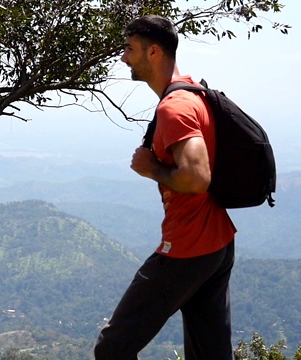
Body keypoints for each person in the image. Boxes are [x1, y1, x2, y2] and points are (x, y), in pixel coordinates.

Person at [93, 15, 237, 359]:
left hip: (187, 250)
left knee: (112, 349)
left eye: (129, 49)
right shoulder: (192, 91)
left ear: (154, 52)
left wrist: (151, 168)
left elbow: (197, 177)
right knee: (210, 352)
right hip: (217, 245)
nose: (124, 58)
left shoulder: (176, 107)